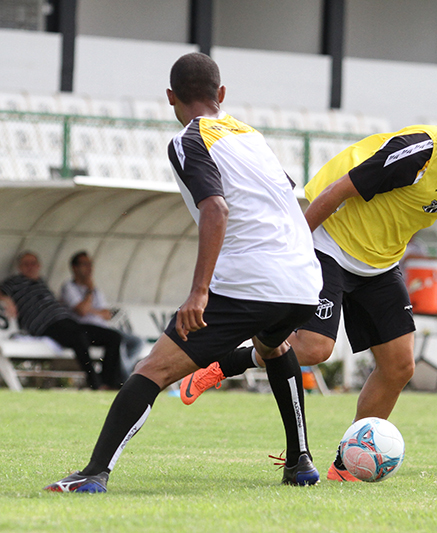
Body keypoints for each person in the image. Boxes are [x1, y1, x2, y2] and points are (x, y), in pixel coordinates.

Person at [181, 93, 437, 481]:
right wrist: (295, 246)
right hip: (329, 245)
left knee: (399, 366)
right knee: (315, 349)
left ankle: (348, 462)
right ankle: (225, 362)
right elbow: (339, 191)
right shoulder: (416, 154)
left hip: (379, 263)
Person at [43, 51, 323, 493]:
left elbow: (215, 208)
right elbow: (289, 194)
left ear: (170, 97)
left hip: (252, 278)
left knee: (152, 370)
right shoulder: (251, 135)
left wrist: (199, 292)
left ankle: (94, 472)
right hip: (305, 280)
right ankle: (301, 461)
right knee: (272, 345)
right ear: (222, 94)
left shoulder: (189, 140)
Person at [0, 251, 123, 390]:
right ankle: (95, 383)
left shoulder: (41, 282)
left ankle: (109, 383)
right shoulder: (14, 282)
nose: (30, 267)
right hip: (45, 326)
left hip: (66, 322)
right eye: (26, 264)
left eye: (33, 263)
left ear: (39, 266)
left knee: (113, 337)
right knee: (78, 336)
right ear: (20, 267)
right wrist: (6, 299)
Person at [61, 251, 145, 380]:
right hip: (84, 329)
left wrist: (91, 309)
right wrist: (89, 292)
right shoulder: (69, 287)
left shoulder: (96, 290)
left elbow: (107, 314)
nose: (89, 268)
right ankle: (118, 379)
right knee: (116, 340)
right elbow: (82, 311)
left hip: (103, 327)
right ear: (75, 267)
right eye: (85, 264)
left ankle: (125, 373)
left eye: (90, 264)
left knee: (136, 342)